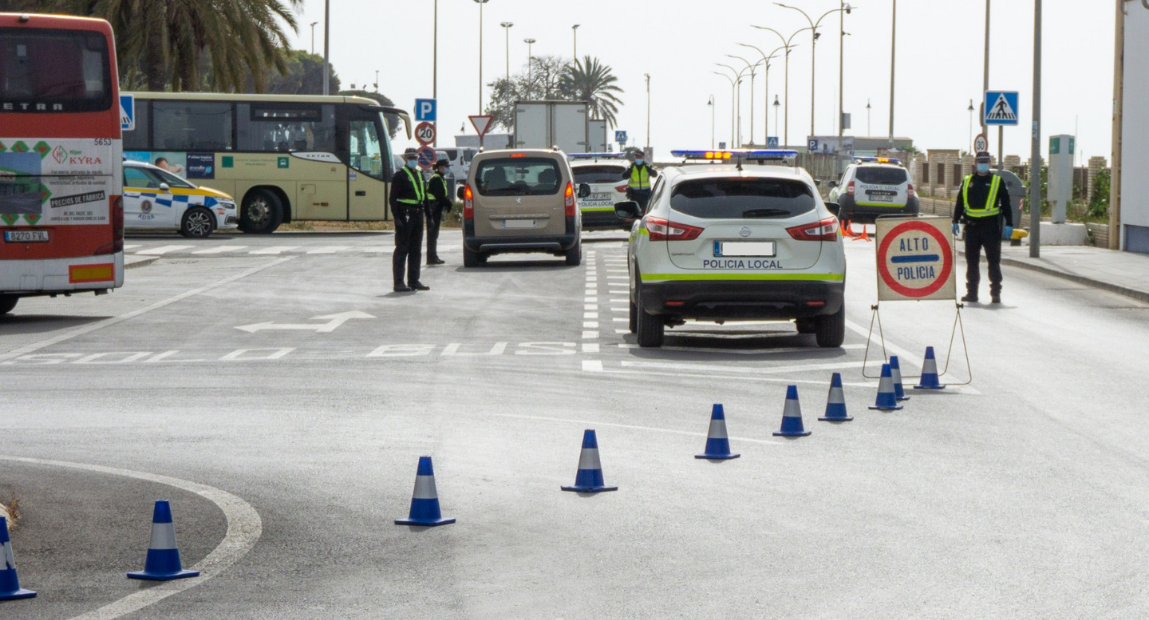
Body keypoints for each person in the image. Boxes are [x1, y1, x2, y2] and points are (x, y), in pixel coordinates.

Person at [952, 151, 1013, 304]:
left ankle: (995, 294)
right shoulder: (967, 181)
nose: (983, 164)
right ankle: (972, 293)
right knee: (971, 262)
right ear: (975, 163)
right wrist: (955, 220)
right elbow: (960, 202)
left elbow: (1006, 204)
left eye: (985, 161)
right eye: (980, 161)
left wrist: (1010, 224)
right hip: (972, 228)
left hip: (990, 228)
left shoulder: (997, 181)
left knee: (993, 262)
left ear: (990, 163)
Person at [390, 149, 430, 293]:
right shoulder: (399, 176)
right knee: (402, 249)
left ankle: (413, 281)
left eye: (415, 157)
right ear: (405, 159)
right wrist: (397, 219)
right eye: (411, 157)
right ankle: (399, 283)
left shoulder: (420, 174)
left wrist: (429, 217)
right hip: (405, 215)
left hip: (418, 215)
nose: (414, 159)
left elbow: (424, 197)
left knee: (416, 250)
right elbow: (392, 199)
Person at [425, 159, 452, 265]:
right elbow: (439, 195)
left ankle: (433, 256)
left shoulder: (440, 178)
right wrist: (447, 203)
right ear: (440, 167)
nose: (448, 168)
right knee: (432, 235)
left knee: (434, 235)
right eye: (446, 166)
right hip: (433, 209)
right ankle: (431, 258)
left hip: (436, 208)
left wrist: (446, 202)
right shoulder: (436, 179)